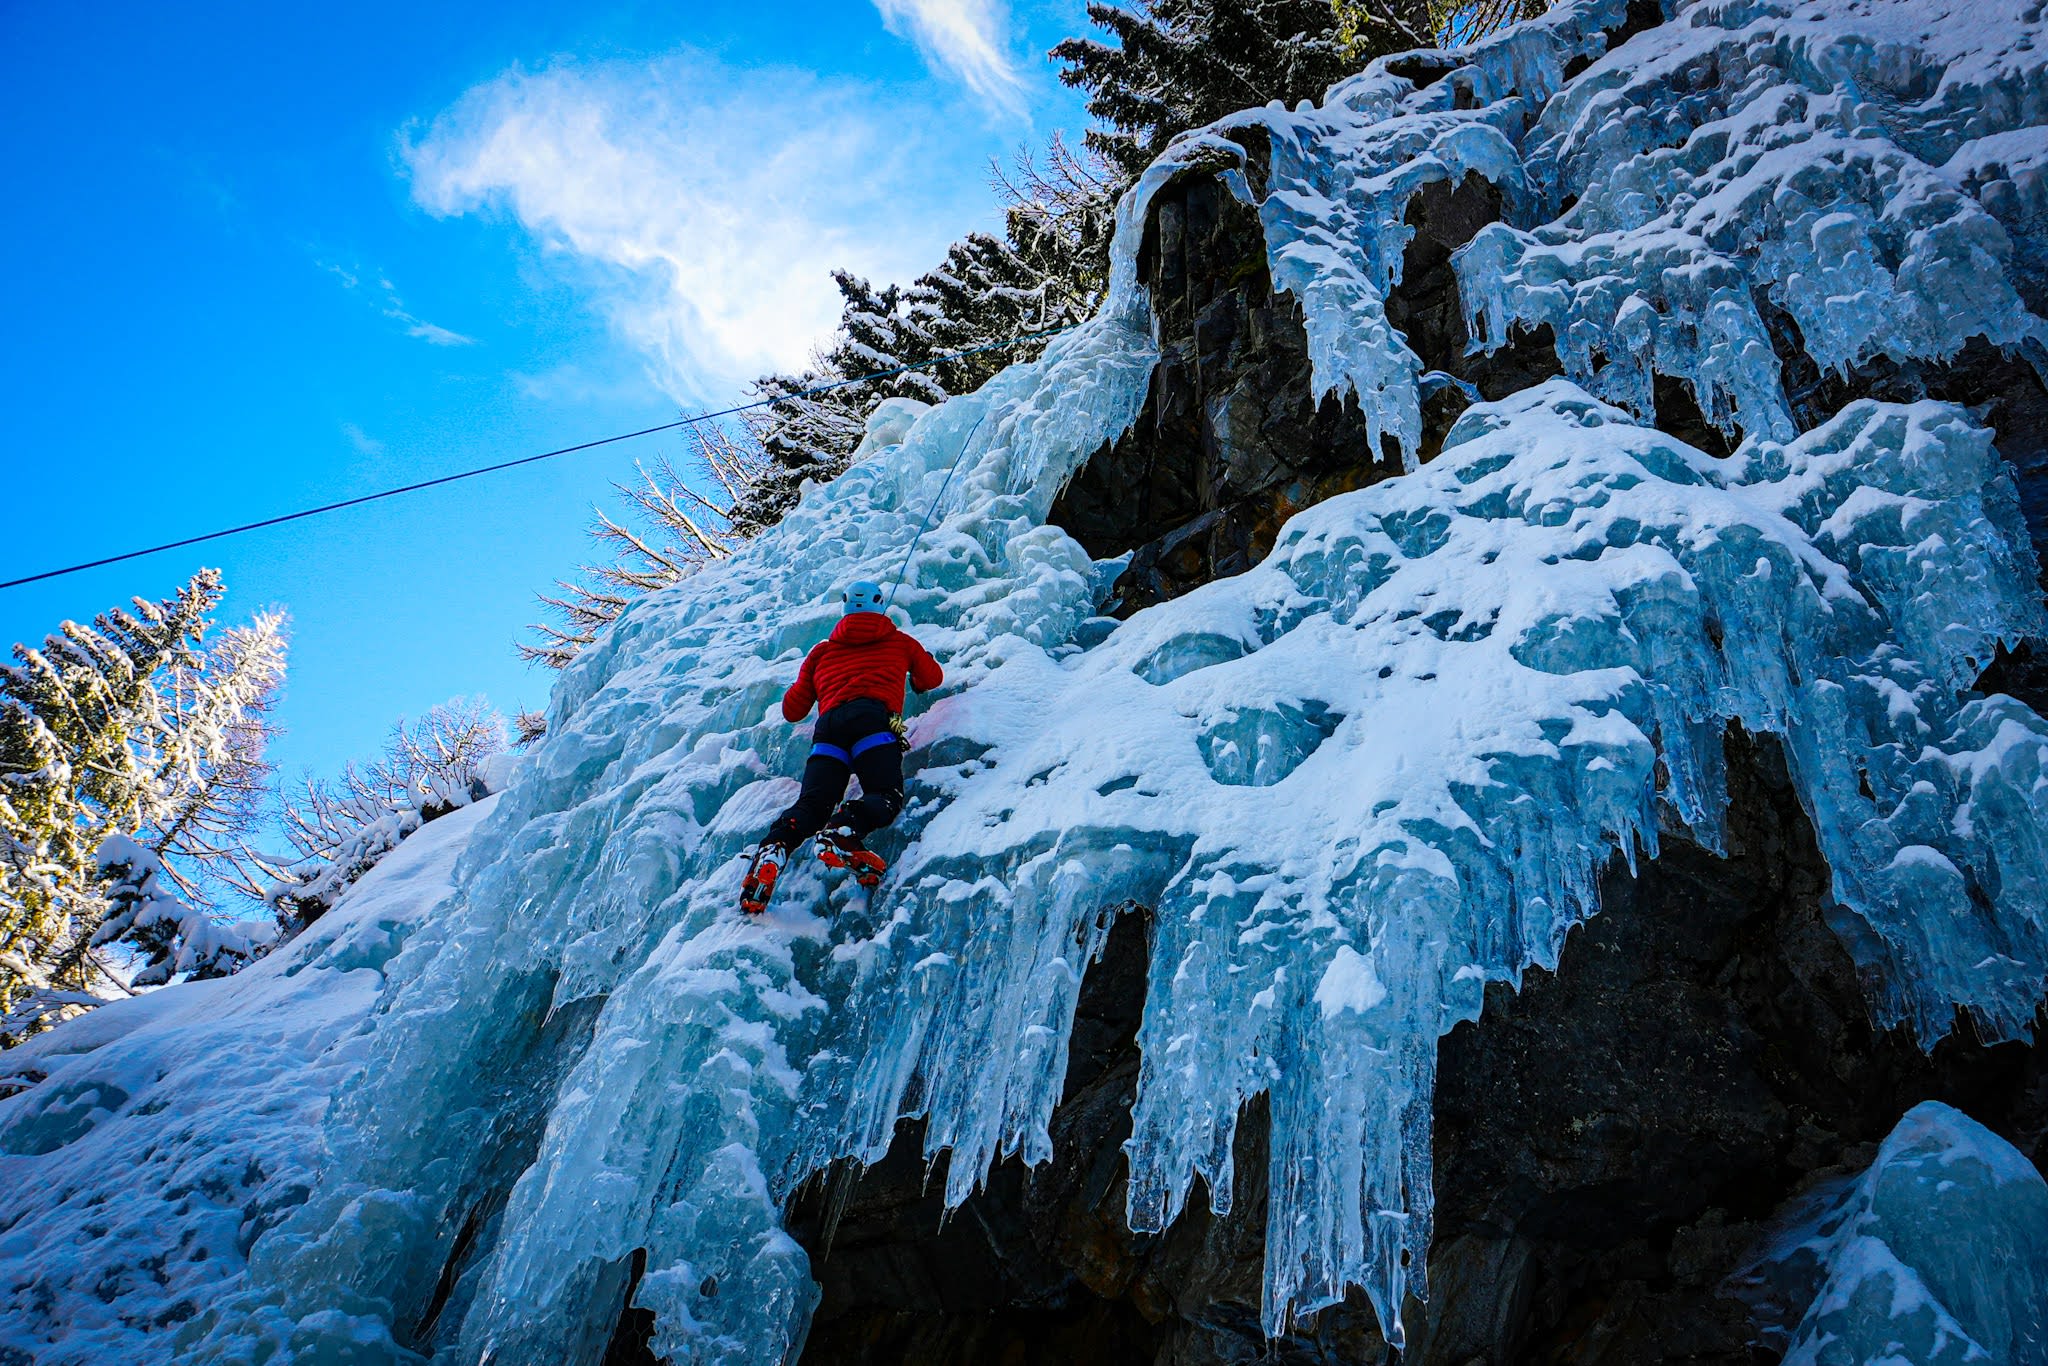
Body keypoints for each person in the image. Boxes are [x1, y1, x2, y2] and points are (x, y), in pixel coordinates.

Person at [740, 580, 943, 913]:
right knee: (885, 795)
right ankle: (842, 830)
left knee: (813, 805)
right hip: (873, 723)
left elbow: (792, 710)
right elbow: (931, 679)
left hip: (829, 731)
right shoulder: (899, 641)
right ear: (879, 605)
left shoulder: (821, 652)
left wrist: (815, 680)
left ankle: (775, 848)